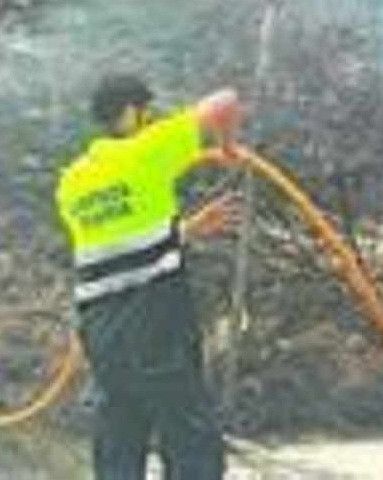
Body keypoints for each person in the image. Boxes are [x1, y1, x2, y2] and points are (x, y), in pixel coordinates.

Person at [56, 73, 246, 480]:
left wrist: (187, 230)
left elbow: (118, 249)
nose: (152, 118)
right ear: (131, 112)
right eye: (147, 111)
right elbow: (225, 101)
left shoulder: (72, 183)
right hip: (156, 326)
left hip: (102, 335)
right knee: (191, 441)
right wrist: (227, 148)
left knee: (120, 442)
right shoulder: (148, 150)